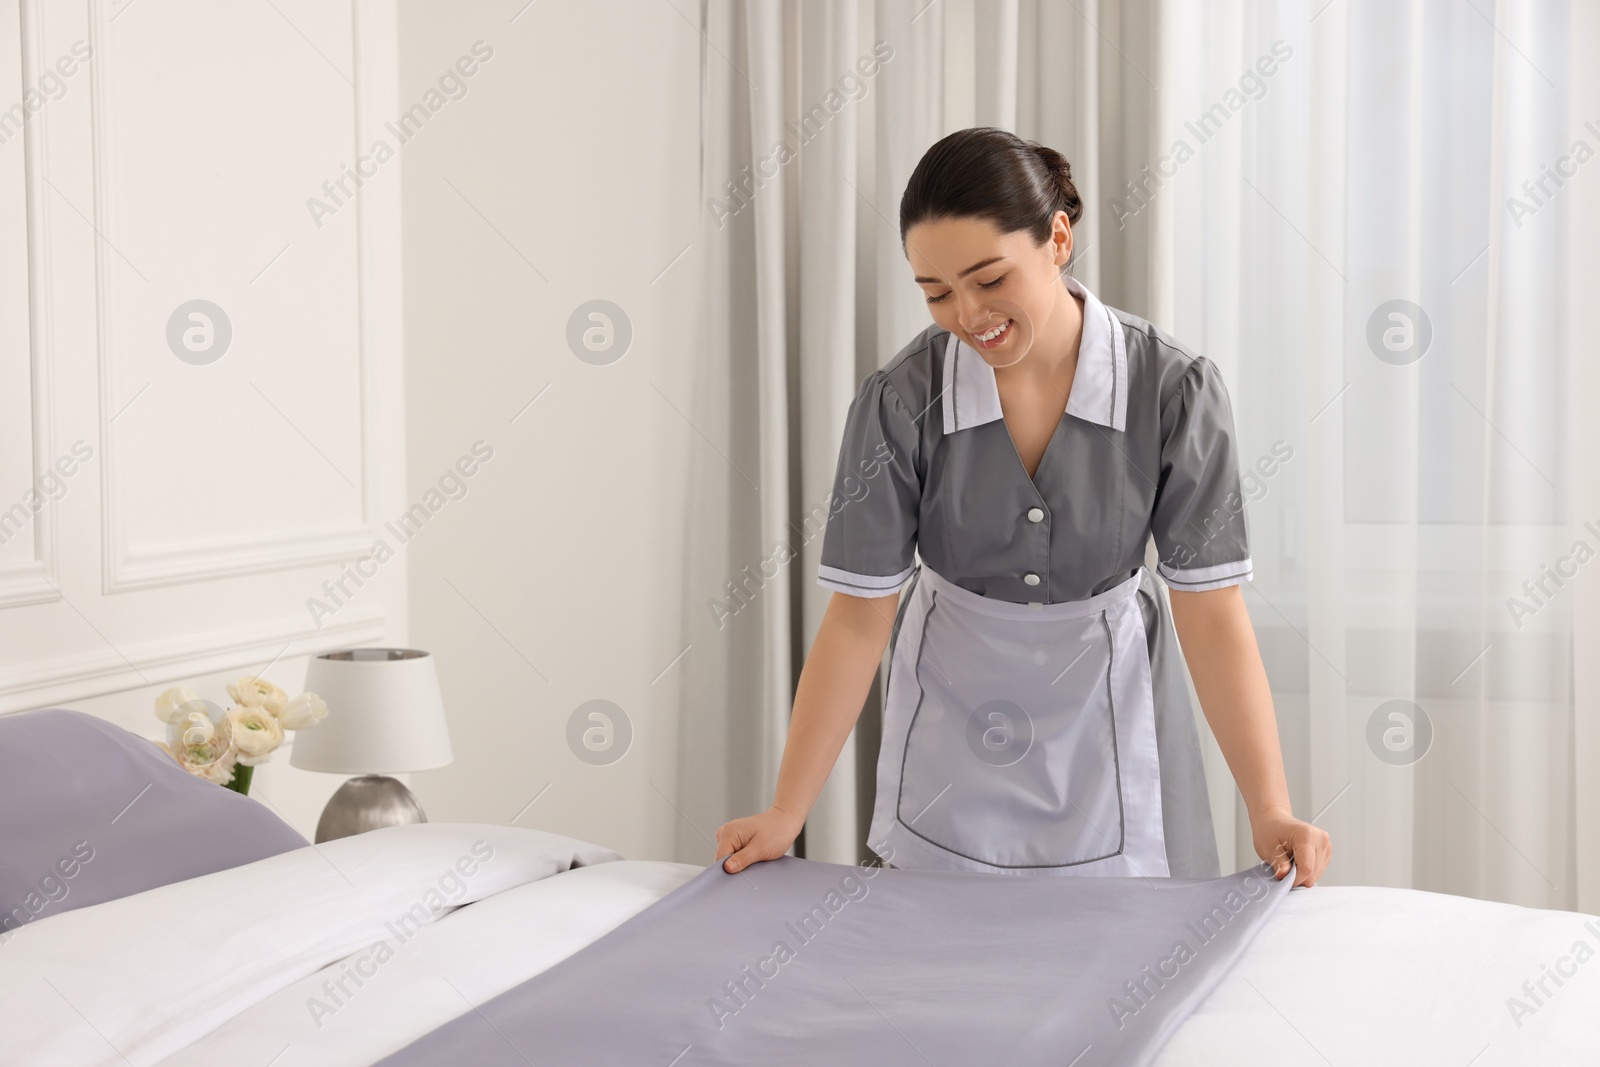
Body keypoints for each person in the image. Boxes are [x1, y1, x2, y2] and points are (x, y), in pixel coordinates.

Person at [713, 127, 1330, 887]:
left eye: (988, 278)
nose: (968, 314)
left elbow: (1212, 614)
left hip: (1115, 718)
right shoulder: (901, 402)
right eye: (936, 293)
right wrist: (787, 811)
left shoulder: (1171, 392)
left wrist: (1270, 809)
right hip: (953, 736)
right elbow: (857, 617)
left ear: (1058, 238)